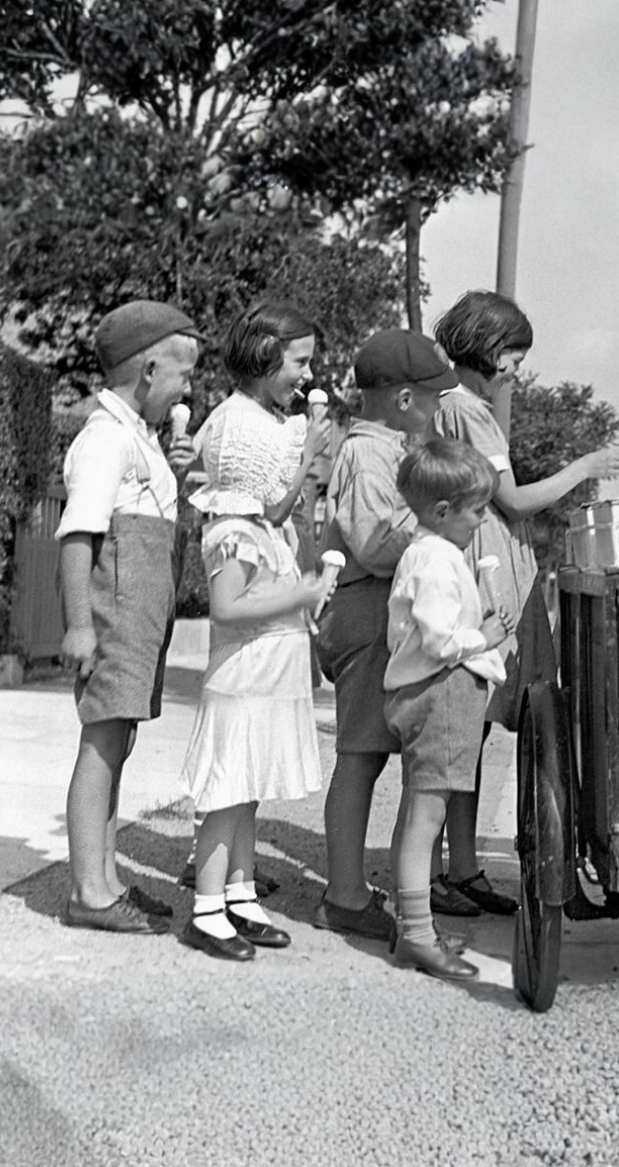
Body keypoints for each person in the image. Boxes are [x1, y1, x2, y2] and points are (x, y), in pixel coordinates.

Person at [430, 289, 619, 917]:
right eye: (513, 355)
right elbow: (513, 500)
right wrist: (587, 467)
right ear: (489, 350)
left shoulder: (447, 408)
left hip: (478, 566)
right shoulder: (473, 413)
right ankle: (552, 873)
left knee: (476, 728)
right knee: (513, 719)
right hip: (490, 577)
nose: (516, 368)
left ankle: (460, 867)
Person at [178, 302, 333, 961]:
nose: (306, 374)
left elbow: (278, 507)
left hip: (262, 676)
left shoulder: (262, 529)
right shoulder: (237, 530)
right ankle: (208, 907)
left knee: (246, 790)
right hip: (241, 677)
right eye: (298, 361)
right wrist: (300, 592)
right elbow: (229, 608)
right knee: (225, 792)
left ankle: (239, 893)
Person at [57, 300, 203, 933]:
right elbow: (78, 534)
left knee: (120, 742)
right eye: (183, 374)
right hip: (113, 614)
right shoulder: (105, 438)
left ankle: (107, 877)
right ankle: (89, 891)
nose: (188, 388)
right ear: (148, 370)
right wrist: (79, 624)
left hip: (139, 615)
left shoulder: (135, 437)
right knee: (101, 743)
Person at [313, 328, 456, 941]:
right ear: (402, 399)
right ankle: (343, 895)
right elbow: (374, 546)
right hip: (368, 609)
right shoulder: (368, 453)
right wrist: (437, 530)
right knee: (361, 755)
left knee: (370, 753)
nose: (436, 410)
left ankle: (354, 888)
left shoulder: (379, 449)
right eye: (431, 398)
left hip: (377, 610)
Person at [385, 438, 516, 981]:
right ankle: (416, 935)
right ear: (443, 511)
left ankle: (412, 923)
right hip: (441, 692)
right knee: (426, 819)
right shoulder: (435, 560)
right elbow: (440, 643)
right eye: (477, 509)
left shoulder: (436, 554)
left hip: (441, 693)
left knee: (419, 813)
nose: (483, 518)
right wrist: (481, 637)